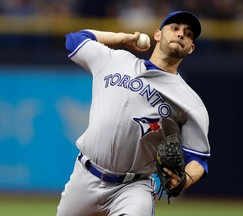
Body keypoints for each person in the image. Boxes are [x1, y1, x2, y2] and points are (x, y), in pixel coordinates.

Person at [57, 11, 211, 216]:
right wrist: (122, 38)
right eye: (175, 28)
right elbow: (74, 40)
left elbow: (198, 159)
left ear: (191, 48)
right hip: (85, 176)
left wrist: (184, 181)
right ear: (158, 35)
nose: (181, 34)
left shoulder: (190, 103)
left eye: (188, 33)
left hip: (133, 188)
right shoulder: (115, 60)